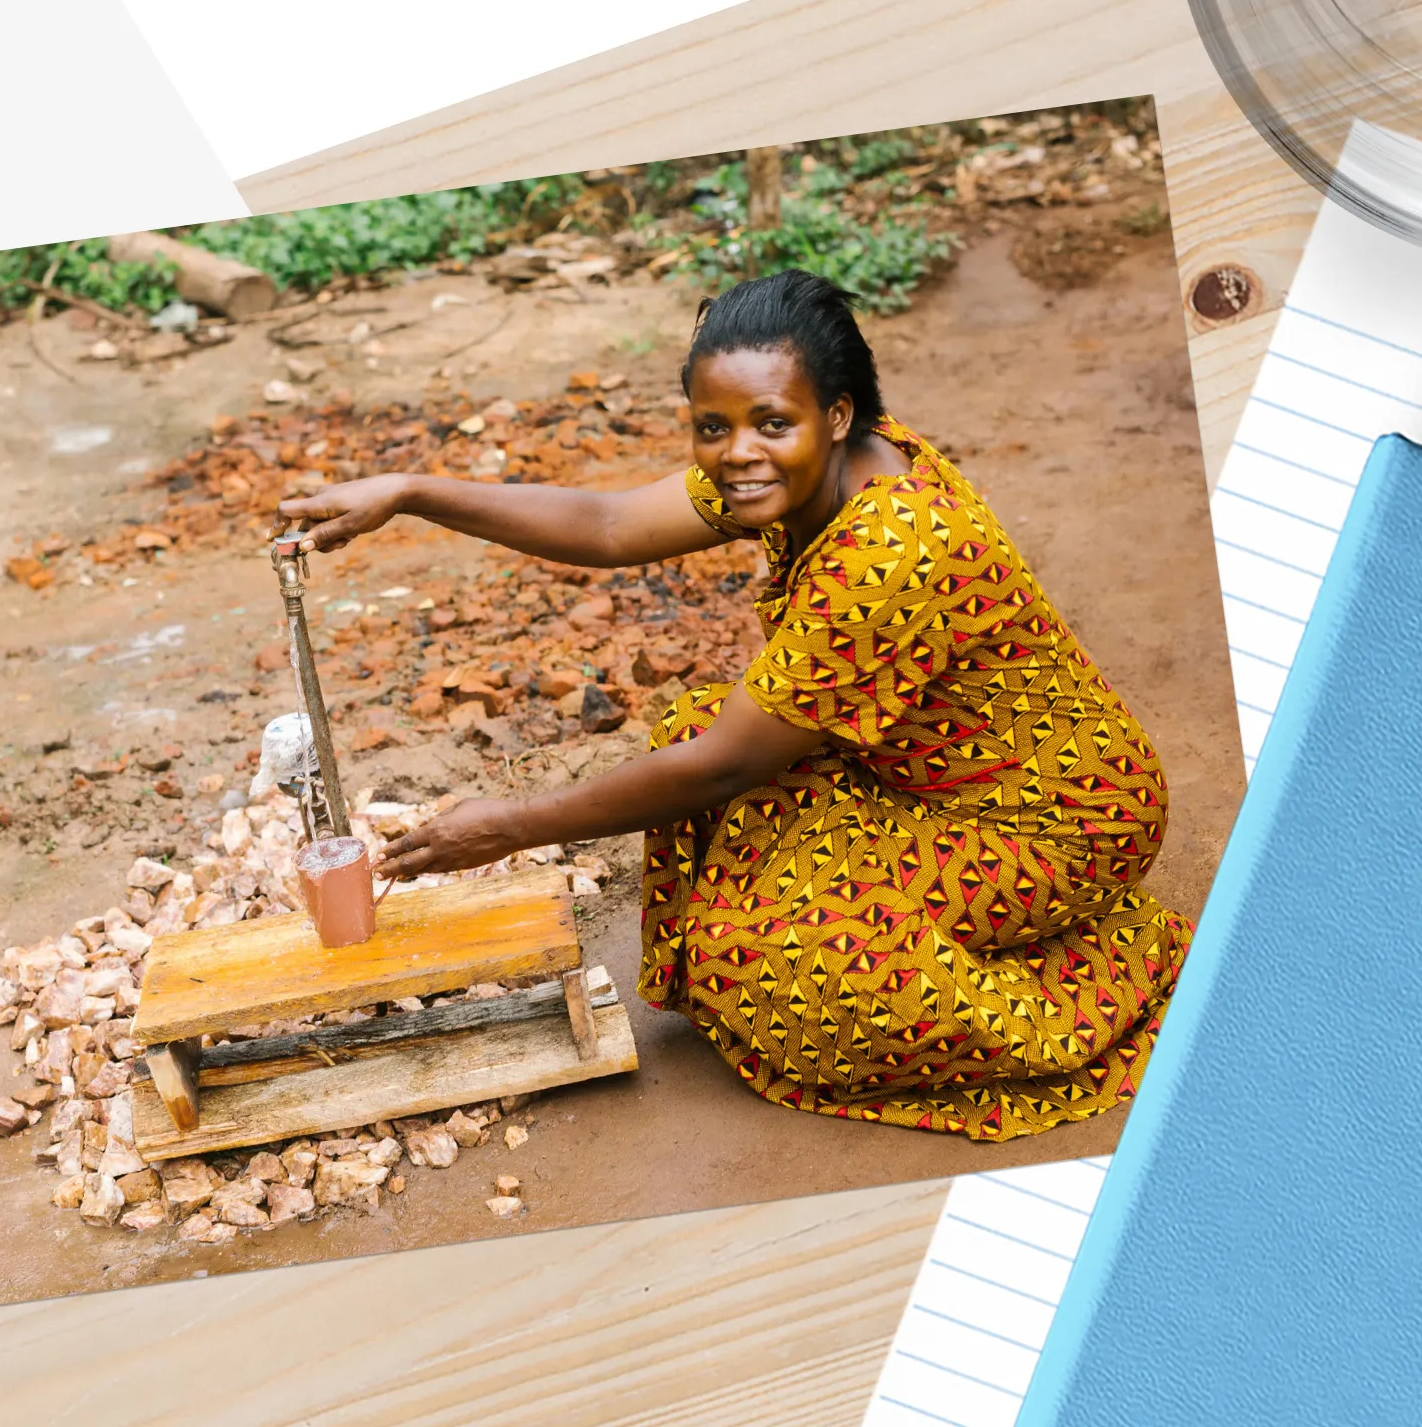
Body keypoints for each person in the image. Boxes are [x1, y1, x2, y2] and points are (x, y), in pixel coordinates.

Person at [276, 268, 1190, 1141]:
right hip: (934, 779)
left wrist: (511, 826)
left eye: (770, 424)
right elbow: (609, 525)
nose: (738, 453)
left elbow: (724, 767)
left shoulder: (891, 551)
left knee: (775, 965)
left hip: (1060, 822)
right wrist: (411, 493)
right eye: (712, 427)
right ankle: (963, 933)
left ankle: (1098, 978)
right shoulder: (812, 462)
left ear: (837, 414)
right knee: (697, 736)